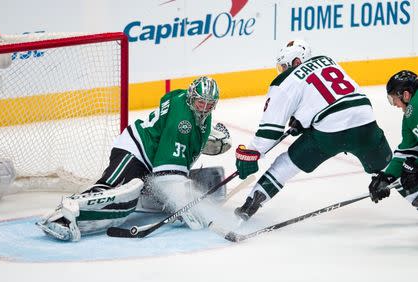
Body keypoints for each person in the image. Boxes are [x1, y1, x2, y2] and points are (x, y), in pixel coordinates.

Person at [37, 76, 232, 241]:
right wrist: (182, 201)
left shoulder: (190, 109)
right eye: (201, 102)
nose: (204, 108)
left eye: (209, 104)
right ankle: (61, 216)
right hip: (135, 149)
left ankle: (79, 215)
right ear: (192, 98)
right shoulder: (183, 122)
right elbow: (167, 172)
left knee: (125, 201)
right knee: (109, 188)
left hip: (150, 158)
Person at [233, 39, 392, 220]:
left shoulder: (285, 80)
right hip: (366, 121)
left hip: (330, 133)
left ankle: (247, 209)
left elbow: (270, 131)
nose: (283, 70)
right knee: (392, 169)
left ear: (297, 62)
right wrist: (303, 119)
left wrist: (252, 154)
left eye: (284, 66)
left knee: (284, 164)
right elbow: (331, 95)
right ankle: (413, 192)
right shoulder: (327, 60)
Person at [368, 70, 418, 205]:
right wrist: (387, 176)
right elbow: (408, 150)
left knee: (410, 171)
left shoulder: (414, 109)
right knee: (407, 170)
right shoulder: (409, 116)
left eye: (394, 99)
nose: (395, 104)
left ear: (406, 95)